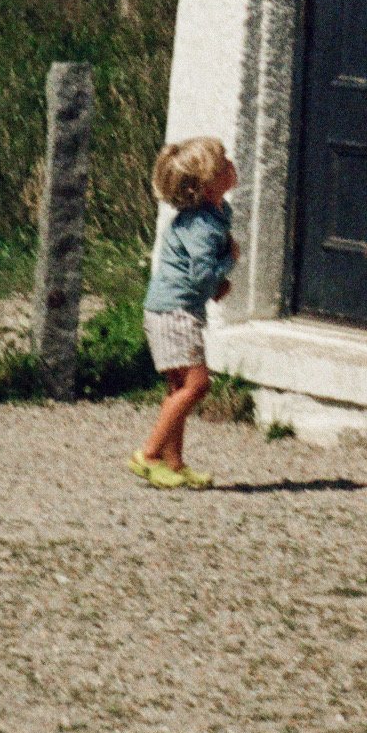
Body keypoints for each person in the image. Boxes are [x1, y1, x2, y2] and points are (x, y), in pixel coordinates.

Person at [130, 135, 237, 490]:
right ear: (207, 185)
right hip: (174, 313)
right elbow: (200, 273)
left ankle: (174, 464)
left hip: (171, 309)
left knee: (178, 387)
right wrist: (228, 261)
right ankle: (149, 454)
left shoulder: (216, 214)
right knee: (197, 385)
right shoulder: (202, 227)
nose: (231, 165)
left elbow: (199, 275)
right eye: (224, 165)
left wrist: (215, 284)